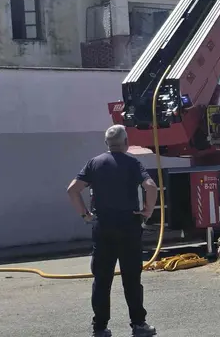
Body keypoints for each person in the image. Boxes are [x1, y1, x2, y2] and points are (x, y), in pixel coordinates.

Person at [66, 124, 159, 337]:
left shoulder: (95, 163)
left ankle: (100, 328)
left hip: (103, 226)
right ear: (126, 143)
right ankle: (138, 325)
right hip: (129, 226)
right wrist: (146, 212)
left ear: (107, 143)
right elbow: (151, 187)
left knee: (102, 279)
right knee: (132, 278)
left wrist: (85, 215)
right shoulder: (133, 163)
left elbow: (72, 190)